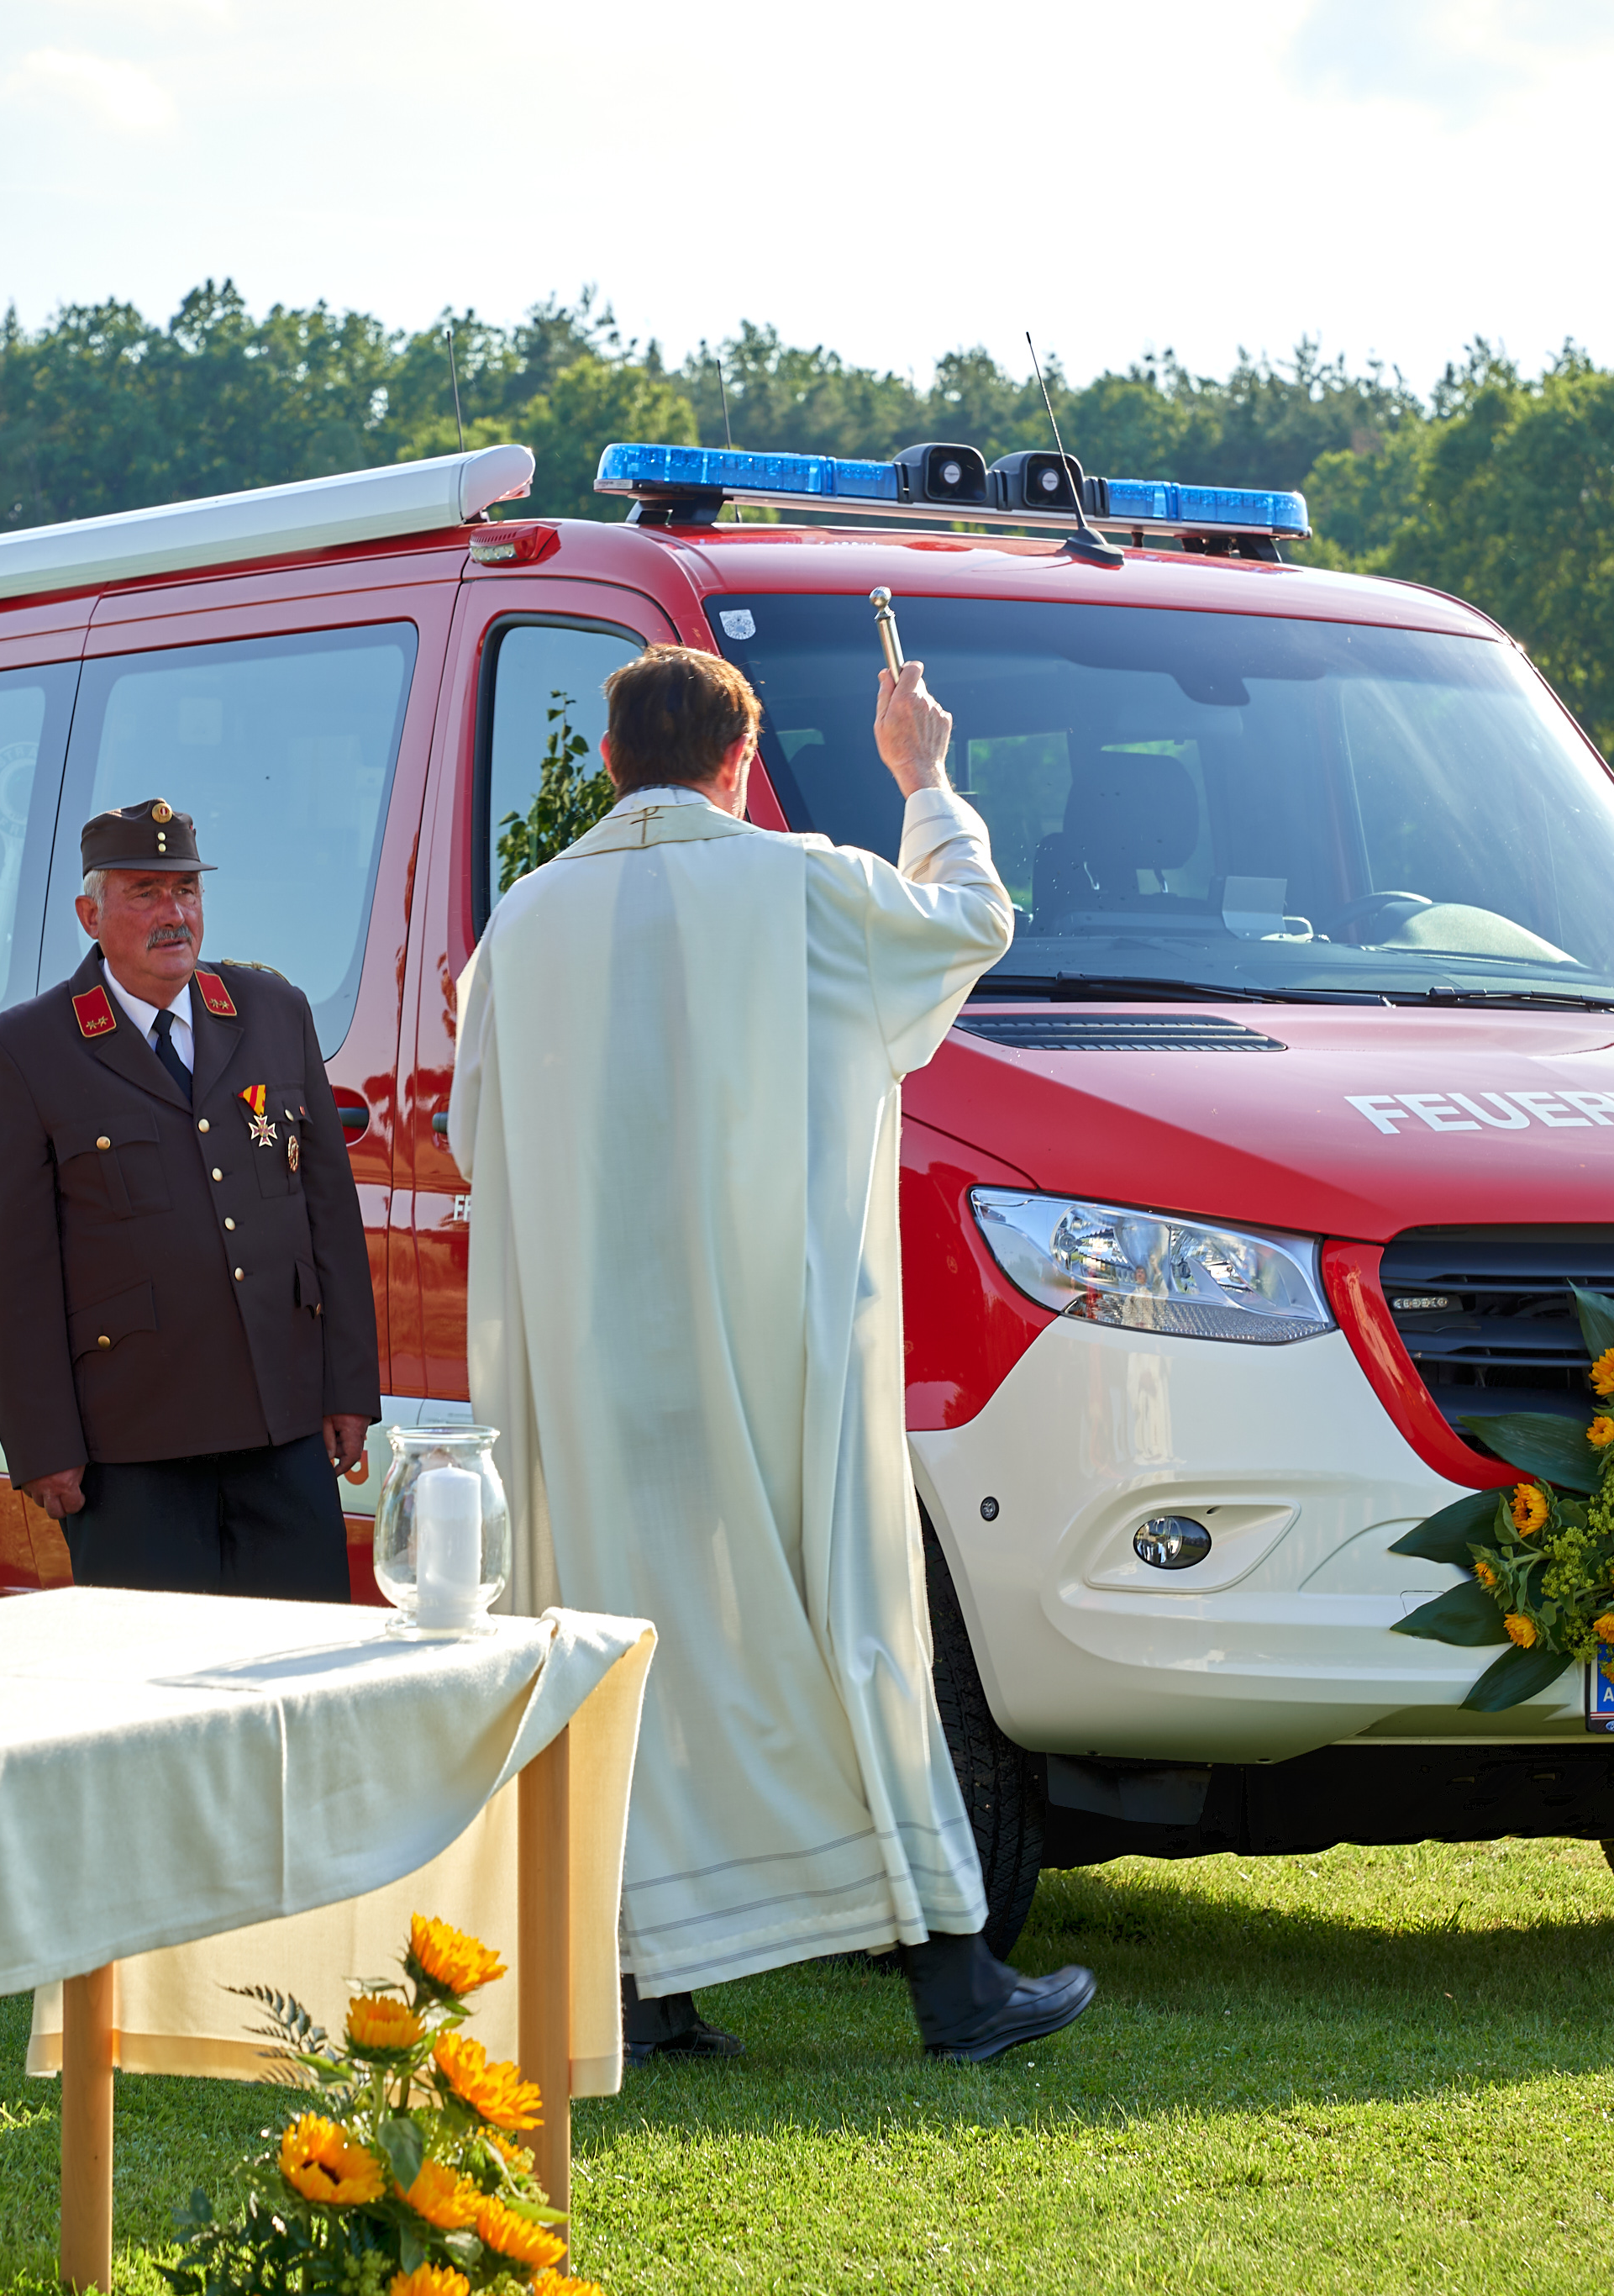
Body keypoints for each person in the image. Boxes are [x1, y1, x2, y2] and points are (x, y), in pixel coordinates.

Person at [450, 643, 1096, 2064]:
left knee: (616, 1648)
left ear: (610, 763)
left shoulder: (526, 922)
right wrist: (923, 776)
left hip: (597, 1374)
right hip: (772, 1345)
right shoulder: (800, 884)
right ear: (739, 765)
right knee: (845, 1630)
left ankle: (640, 1989)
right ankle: (952, 1983)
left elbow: (470, 1127)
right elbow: (970, 919)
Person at [0, 801, 378, 1593]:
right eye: (145, 893)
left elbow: (329, 1213)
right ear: (90, 915)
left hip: (283, 1428)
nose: (173, 913)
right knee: (152, 1666)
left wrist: (349, 1388)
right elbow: (14, 1271)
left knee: (302, 1656)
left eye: (186, 890)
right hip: (131, 1450)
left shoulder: (273, 1012)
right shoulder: (27, 1051)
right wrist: (43, 1442)